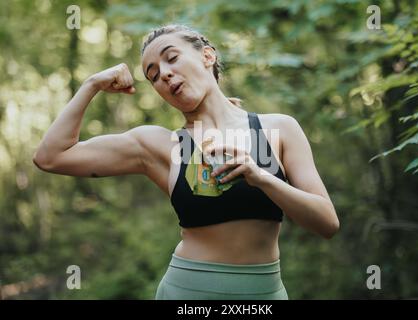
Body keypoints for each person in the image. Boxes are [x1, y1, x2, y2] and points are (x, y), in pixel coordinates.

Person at [33, 24, 339, 300]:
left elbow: (327, 223)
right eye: (153, 75)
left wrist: (261, 177)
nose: (163, 74)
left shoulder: (279, 129)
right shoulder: (159, 145)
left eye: (172, 58)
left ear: (207, 56)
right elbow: (51, 157)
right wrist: (92, 85)